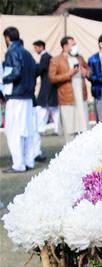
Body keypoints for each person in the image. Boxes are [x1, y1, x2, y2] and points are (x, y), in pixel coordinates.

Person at [2, 27, 39, 173]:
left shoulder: (12, 52)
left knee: (14, 131)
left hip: (16, 96)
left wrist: (4, 79)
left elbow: (15, 72)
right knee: (27, 131)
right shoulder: (28, 53)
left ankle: (18, 164)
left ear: (7, 38)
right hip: (28, 97)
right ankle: (28, 161)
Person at [49, 36, 90, 143]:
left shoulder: (79, 58)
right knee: (69, 127)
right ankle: (70, 151)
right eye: (73, 44)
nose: (75, 46)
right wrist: (69, 74)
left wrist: (86, 72)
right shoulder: (56, 60)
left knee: (83, 126)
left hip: (81, 98)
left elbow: (89, 71)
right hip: (67, 98)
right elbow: (52, 78)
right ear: (65, 46)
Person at [32, 39, 59, 134]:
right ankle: (57, 128)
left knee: (43, 108)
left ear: (41, 47)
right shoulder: (48, 57)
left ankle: (41, 128)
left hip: (47, 86)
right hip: (50, 86)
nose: (35, 50)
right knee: (53, 108)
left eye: (35, 47)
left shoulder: (45, 57)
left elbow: (40, 69)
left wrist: (32, 71)